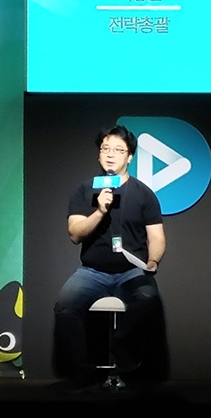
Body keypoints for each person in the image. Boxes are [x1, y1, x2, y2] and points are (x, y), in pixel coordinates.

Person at [53, 124, 166, 390]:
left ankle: (120, 349)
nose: (111, 154)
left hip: (132, 272)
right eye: (105, 149)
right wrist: (100, 211)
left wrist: (153, 261)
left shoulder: (144, 194)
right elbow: (75, 234)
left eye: (118, 150)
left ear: (130, 157)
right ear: (99, 154)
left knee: (148, 299)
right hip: (92, 272)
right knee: (64, 305)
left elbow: (157, 237)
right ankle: (84, 370)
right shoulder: (85, 190)